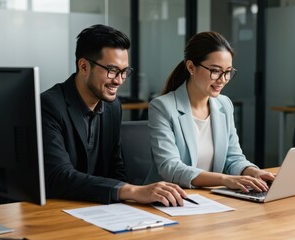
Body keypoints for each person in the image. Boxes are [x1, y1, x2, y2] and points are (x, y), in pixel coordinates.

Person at [41, 24, 187, 206]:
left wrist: (127, 206)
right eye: (112, 70)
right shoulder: (49, 106)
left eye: (124, 71)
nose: (119, 80)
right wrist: (131, 190)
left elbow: (115, 166)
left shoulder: (113, 107)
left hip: (97, 207)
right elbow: (59, 176)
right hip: (56, 208)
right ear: (84, 66)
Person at [146, 31, 275, 192]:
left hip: (210, 198)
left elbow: (233, 158)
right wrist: (225, 179)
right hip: (170, 199)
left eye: (228, 72)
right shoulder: (162, 107)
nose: (222, 79)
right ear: (191, 67)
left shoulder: (224, 104)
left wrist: (254, 172)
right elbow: (170, 167)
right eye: (215, 71)